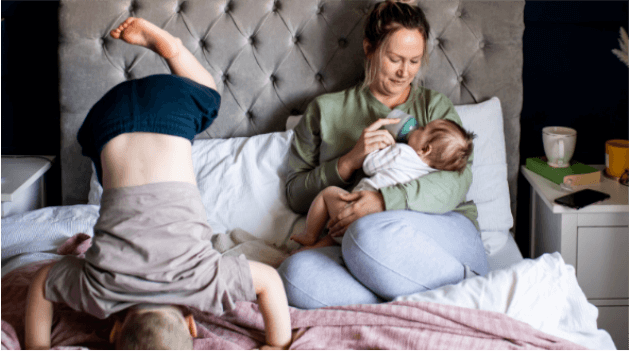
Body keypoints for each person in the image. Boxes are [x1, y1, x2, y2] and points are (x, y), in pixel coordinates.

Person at [25, 17, 291, 350]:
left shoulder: (205, 283)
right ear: (114, 330)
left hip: (170, 108)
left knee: (208, 97)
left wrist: (278, 344)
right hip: (108, 118)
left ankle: (174, 51)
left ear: (191, 325)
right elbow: (42, 283)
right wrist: (36, 345)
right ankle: (172, 52)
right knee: (109, 172)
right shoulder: (97, 292)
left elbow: (269, 281)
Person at [279, 0, 489, 309]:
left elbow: (457, 182)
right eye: (394, 59)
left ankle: (472, 297)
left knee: (366, 233)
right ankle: (417, 304)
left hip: (442, 232)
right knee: (294, 276)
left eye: (415, 61)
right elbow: (295, 195)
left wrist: (381, 201)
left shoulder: (434, 109)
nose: (405, 72)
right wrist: (349, 161)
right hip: (358, 245)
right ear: (369, 48)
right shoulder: (325, 110)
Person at [290, 119, 475, 252]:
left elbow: (370, 166)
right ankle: (308, 250)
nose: (417, 127)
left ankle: (309, 234)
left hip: (354, 210)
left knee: (328, 193)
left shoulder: (401, 152)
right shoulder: (432, 174)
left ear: (425, 149)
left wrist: (387, 148)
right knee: (332, 238)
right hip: (382, 230)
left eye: (423, 129)